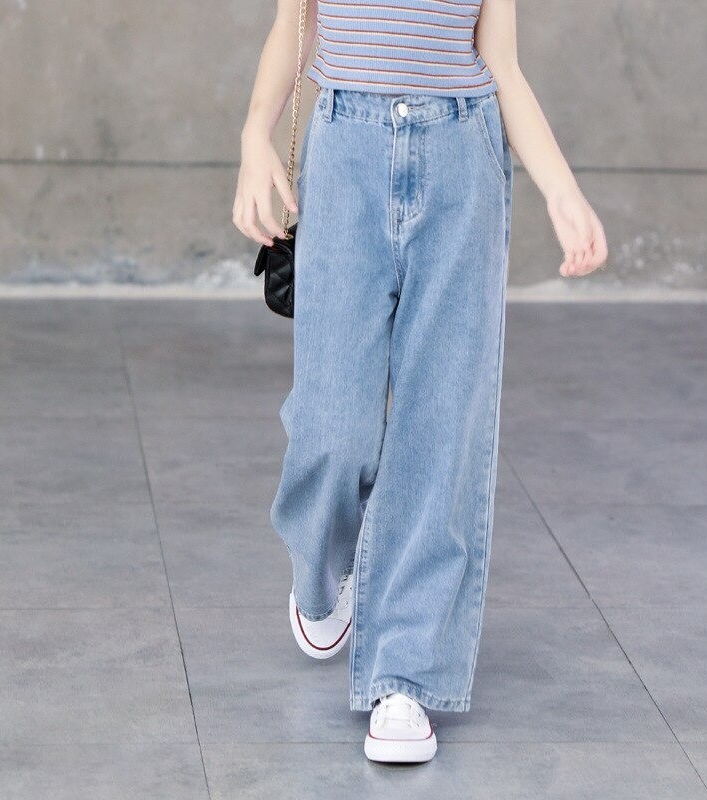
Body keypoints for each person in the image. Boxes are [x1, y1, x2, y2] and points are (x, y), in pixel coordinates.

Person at [232, 0, 608, 764]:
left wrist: (561, 189)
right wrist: (252, 138)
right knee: (332, 426)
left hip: (460, 159)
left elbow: (501, 65)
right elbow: (293, 24)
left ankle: (405, 677)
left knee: (438, 430)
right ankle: (323, 570)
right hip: (347, 150)